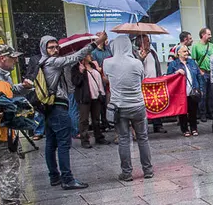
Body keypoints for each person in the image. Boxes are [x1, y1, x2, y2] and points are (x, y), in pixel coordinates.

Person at [39, 31, 106, 190]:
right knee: (63, 144)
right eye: (51, 48)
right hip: (57, 107)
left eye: (56, 47)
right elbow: (74, 57)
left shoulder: (43, 61)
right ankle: (67, 179)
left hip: (48, 107)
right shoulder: (51, 62)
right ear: (44, 48)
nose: (55, 50)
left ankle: (54, 176)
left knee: (51, 143)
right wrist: (95, 43)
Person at [103, 35, 154, 181]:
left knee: (124, 139)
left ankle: (126, 173)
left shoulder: (108, 62)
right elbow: (141, 80)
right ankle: (148, 170)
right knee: (143, 138)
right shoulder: (137, 63)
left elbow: (106, 78)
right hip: (138, 105)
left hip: (119, 106)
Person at [0, 45, 35, 205]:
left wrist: (24, 87)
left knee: (9, 167)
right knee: (8, 167)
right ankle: (10, 204)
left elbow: (10, 91)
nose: (16, 60)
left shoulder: (4, 77)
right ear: (2, 58)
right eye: (13, 57)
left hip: (4, 132)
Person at [71, 54, 109, 149]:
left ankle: (98, 136)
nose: (90, 56)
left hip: (96, 95)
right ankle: (84, 139)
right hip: (84, 97)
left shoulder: (93, 65)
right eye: (88, 54)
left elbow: (99, 79)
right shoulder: (76, 68)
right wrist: (81, 72)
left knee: (96, 118)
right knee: (84, 119)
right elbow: (76, 82)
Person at [167, 45, 204, 137]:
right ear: (178, 53)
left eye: (187, 51)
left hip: (192, 90)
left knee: (193, 111)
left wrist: (201, 89)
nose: (186, 53)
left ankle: (194, 128)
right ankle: (185, 129)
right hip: (181, 92)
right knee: (182, 112)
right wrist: (176, 72)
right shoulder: (174, 64)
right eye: (184, 51)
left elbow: (199, 76)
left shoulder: (192, 62)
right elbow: (168, 77)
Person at [135, 34, 166, 134]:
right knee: (145, 106)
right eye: (146, 41)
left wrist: (160, 77)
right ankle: (144, 126)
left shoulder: (152, 52)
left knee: (156, 104)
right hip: (144, 85)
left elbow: (157, 66)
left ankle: (158, 125)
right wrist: (141, 58)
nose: (149, 43)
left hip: (155, 83)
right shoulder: (135, 54)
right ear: (141, 43)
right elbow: (136, 67)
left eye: (148, 41)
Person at [190, 28, 213, 123]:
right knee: (203, 94)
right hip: (202, 72)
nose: (210, 36)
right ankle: (202, 114)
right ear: (203, 35)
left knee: (211, 94)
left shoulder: (212, 46)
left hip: (211, 72)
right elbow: (193, 61)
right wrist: (199, 71)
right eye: (208, 34)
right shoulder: (196, 46)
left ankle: (210, 112)